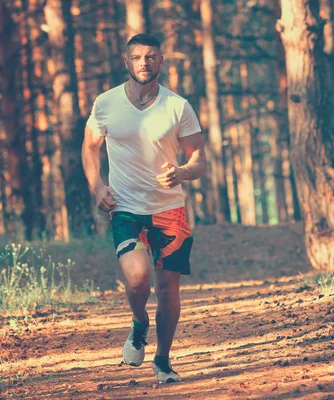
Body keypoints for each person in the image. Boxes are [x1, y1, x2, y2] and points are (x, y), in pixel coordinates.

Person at [81, 33, 206, 384]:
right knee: (137, 278)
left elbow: (200, 159)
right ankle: (139, 323)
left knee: (168, 289)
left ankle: (163, 360)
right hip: (126, 208)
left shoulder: (178, 106)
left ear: (161, 61)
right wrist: (97, 186)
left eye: (150, 57)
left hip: (170, 210)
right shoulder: (105, 103)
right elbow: (90, 148)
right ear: (126, 61)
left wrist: (183, 172)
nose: (143, 63)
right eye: (136, 57)